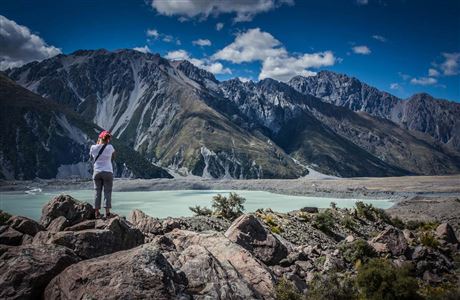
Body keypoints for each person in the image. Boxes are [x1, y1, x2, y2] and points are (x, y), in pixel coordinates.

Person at [90, 130, 116, 219]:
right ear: (108, 139)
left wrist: (98, 143)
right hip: (108, 171)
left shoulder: (93, 147)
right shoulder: (110, 147)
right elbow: (113, 157)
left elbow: (91, 157)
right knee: (107, 192)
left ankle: (96, 213)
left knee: (97, 191)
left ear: (99, 138)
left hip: (97, 172)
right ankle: (107, 213)